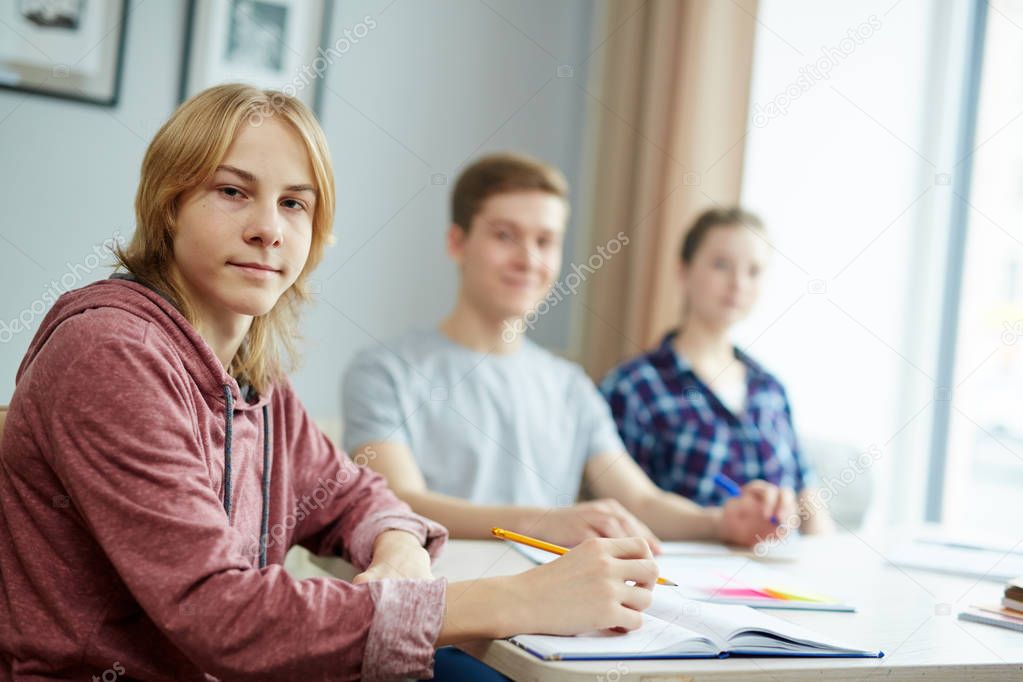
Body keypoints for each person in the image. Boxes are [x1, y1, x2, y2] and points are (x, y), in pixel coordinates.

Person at [0, 85, 661, 680]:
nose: (267, 228)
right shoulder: (112, 354)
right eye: (232, 191)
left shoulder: (252, 375)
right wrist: (518, 599)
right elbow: (221, 616)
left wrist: (398, 548)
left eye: (294, 203)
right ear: (168, 207)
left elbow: (356, 496)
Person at [343, 153, 794, 553]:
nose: (528, 258)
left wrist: (721, 522)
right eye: (505, 235)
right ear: (457, 243)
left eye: (545, 241)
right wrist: (542, 522)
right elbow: (401, 500)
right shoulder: (384, 371)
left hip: (553, 621)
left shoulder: (570, 384)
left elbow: (640, 501)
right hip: (444, 619)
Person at [600, 207, 833, 534]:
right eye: (721, 265)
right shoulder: (633, 386)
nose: (738, 283)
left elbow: (808, 496)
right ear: (684, 272)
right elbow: (630, 506)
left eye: (753, 271)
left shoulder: (770, 389)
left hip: (780, 573)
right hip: (687, 573)